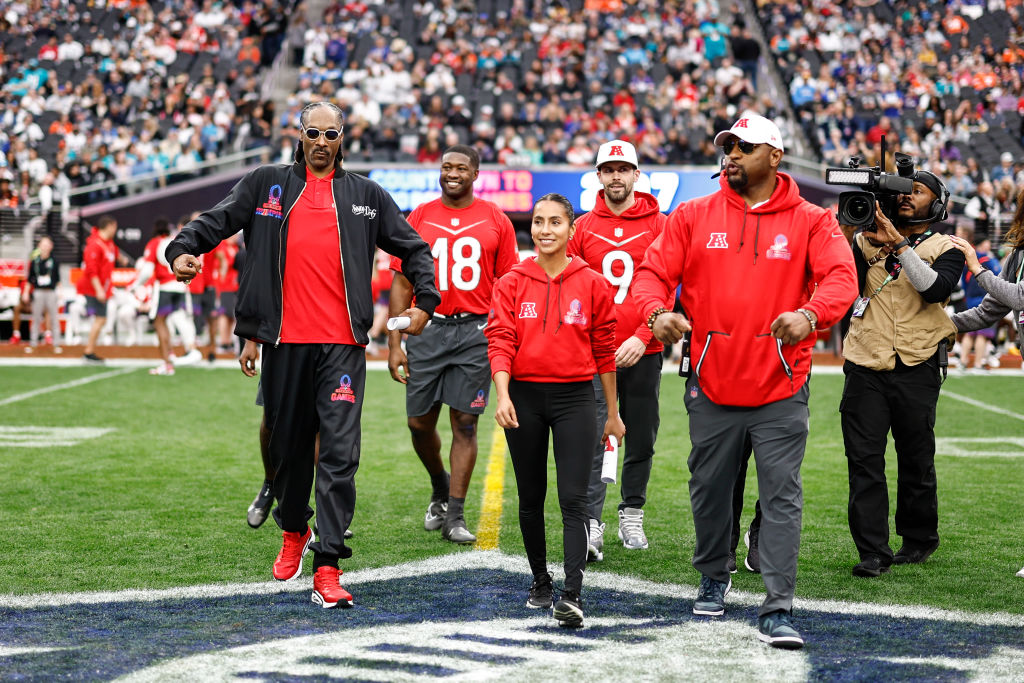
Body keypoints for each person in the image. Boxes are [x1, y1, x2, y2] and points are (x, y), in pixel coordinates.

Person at [165, 101, 440, 609]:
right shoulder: (265, 183)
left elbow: (415, 248)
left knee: (339, 454)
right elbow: (216, 221)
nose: (320, 141)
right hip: (283, 343)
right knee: (288, 451)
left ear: (342, 138)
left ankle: (328, 564)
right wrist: (184, 249)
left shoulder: (367, 196)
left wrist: (427, 300)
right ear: (300, 134)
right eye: (312, 132)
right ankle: (293, 527)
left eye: (329, 133)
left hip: (342, 348)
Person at [633, 113, 858, 649]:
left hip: (781, 387)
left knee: (782, 498)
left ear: (775, 157)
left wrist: (810, 315)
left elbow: (841, 277)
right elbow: (652, 274)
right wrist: (654, 314)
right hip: (711, 383)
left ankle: (778, 606)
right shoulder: (691, 214)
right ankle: (715, 573)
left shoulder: (811, 220)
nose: (730, 155)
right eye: (727, 146)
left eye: (744, 147)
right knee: (709, 492)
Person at [487, 193, 625, 628]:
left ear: (571, 229)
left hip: (575, 401)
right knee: (531, 496)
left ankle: (572, 593)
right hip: (523, 399)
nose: (545, 230)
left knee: (573, 499)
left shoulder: (593, 283)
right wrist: (504, 394)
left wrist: (613, 413)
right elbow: (501, 340)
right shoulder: (511, 281)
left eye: (555, 222)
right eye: (538, 222)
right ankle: (539, 580)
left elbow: (604, 352)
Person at [387, 145, 519, 544]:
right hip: (427, 328)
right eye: (447, 166)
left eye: (461, 167)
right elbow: (402, 281)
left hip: (475, 331)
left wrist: (504, 335)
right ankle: (440, 486)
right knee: (418, 422)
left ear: (476, 174)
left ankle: (456, 515)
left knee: (465, 422)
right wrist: (394, 342)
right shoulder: (420, 216)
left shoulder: (496, 218)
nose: (453, 173)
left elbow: (508, 284)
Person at [839, 166, 964, 579]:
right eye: (903, 190)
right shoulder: (860, 240)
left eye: (918, 191)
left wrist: (899, 246)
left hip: (918, 362)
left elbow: (935, 289)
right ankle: (873, 551)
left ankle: (918, 539)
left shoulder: (948, 246)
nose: (908, 196)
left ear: (938, 202)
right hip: (865, 362)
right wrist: (851, 235)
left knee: (916, 457)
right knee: (864, 461)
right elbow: (844, 290)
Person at [566, 139, 668, 560]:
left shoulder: (660, 223)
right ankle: (592, 521)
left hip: (643, 350)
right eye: (608, 169)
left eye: (622, 169)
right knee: (592, 436)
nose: (615, 176)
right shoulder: (584, 226)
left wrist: (643, 336)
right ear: (598, 176)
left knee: (641, 437)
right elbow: (568, 282)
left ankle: (632, 511)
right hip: (596, 353)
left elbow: (669, 283)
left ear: (636, 175)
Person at [948, 195, 1024, 579]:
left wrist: (977, 269)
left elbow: (1021, 297)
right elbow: (992, 309)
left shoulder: (1002, 261)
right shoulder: (1017, 256)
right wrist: (945, 325)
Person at [138, 218, 203, 376]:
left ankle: (167, 361)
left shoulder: (155, 243)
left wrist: (136, 284)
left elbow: (147, 270)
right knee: (176, 320)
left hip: (165, 287)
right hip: (180, 286)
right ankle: (185, 350)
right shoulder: (176, 241)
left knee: (159, 323)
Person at [957, 232, 1001, 372]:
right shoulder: (988, 260)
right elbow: (999, 276)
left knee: (970, 333)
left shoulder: (967, 260)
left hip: (970, 298)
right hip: (984, 298)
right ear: (984, 244)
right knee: (983, 333)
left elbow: (963, 281)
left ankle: (963, 362)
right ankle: (977, 364)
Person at [77, 215, 119, 363]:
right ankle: (88, 351)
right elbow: (91, 269)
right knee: (100, 319)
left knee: (101, 319)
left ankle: (89, 350)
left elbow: (112, 257)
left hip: (103, 288)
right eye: (114, 226)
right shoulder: (95, 244)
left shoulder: (108, 244)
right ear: (109, 226)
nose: (116, 230)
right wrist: (99, 289)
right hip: (93, 289)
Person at [27, 236, 61, 351]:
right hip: (38, 291)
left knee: (54, 317)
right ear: (39, 246)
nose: (45, 247)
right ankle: (33, 342)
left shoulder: (54, 261)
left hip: (50, 292)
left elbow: (58, 280)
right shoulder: (34, 261)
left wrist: (60, 293)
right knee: (36, 317)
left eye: (48, 244)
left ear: (51, 246)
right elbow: (29, 279)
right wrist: (26, 293)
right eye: (43, 244)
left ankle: (56, 343)